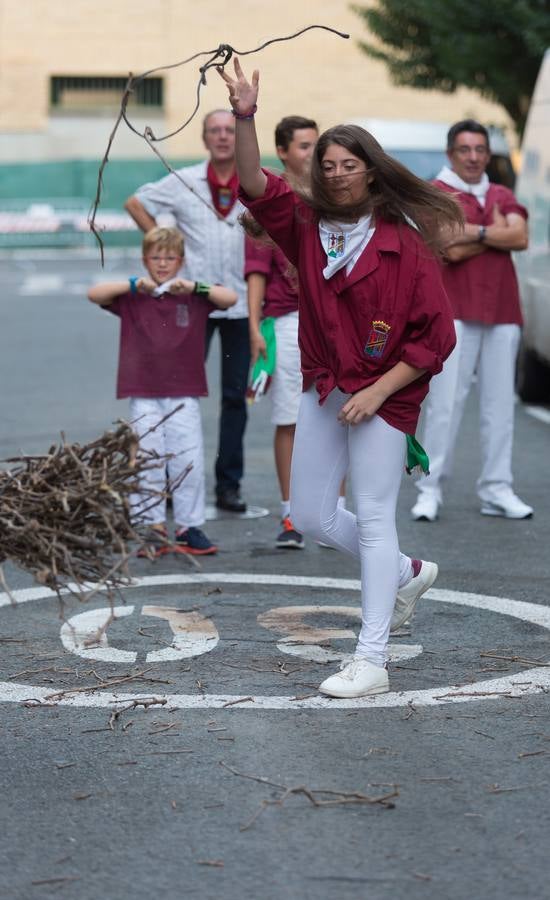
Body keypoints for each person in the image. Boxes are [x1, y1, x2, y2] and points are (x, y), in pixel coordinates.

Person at [219, 59, 459, 698]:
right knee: (307, 513)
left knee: (375, 515)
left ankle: (372, 658)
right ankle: (404, 573)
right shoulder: (304, 225)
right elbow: (249, 182)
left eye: (349, 164)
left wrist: (378, 393)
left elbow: (436, 338)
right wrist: (245, 114)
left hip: (388, 391)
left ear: (372, 170)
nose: (338, 173)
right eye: (327, 165)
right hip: (327, 384)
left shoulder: (404, 245)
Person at [124, 110, 250, 514]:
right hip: (190, 302)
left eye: (230, 130)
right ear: (204, 138)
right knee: (177, 392)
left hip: (239, 300)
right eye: (215, 130)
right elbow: (135, 202)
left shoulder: (254, 181)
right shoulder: (183, 181)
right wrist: (163, 246)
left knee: (235, 398)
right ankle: (169, 480)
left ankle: (227, 485)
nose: (223, 137)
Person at [87, 226, 237, 556]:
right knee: (148, 457)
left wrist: (196, 285)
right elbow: (94, 294)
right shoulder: (134, 295)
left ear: (181, 261)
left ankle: (188, 526)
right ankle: (151, 525)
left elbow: (230, 298)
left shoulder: (191, 295)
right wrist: (132, 283)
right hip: (143, 390)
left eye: (170, 258)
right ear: (145, 259)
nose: (163, 264)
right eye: (156, 257)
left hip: (184, 391)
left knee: (188, 458)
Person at [411, 120, 532, 522]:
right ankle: (429, 489)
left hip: (502, 310)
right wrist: (492, 231)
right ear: (451, 154)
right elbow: (446, 246)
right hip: (454, 312)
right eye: (465, 149)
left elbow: (520, 238)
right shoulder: (436, 193)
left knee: (500, 405)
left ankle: (497, 488)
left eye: (480, 149)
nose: (474, 157)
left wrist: (471, 234)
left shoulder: (500, 192)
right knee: (445, 405)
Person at [245, 115, 318, 548]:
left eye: (315, 144)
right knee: (289, 416)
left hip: (327, 322)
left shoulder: (331, 197)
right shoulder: (269, 199)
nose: (313, 153)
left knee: (338, 413)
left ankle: (334, 510)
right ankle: (290, 514)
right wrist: (256, 329)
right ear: (284, 152)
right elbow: (255, 272)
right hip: (287, 322)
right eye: (305, 146)